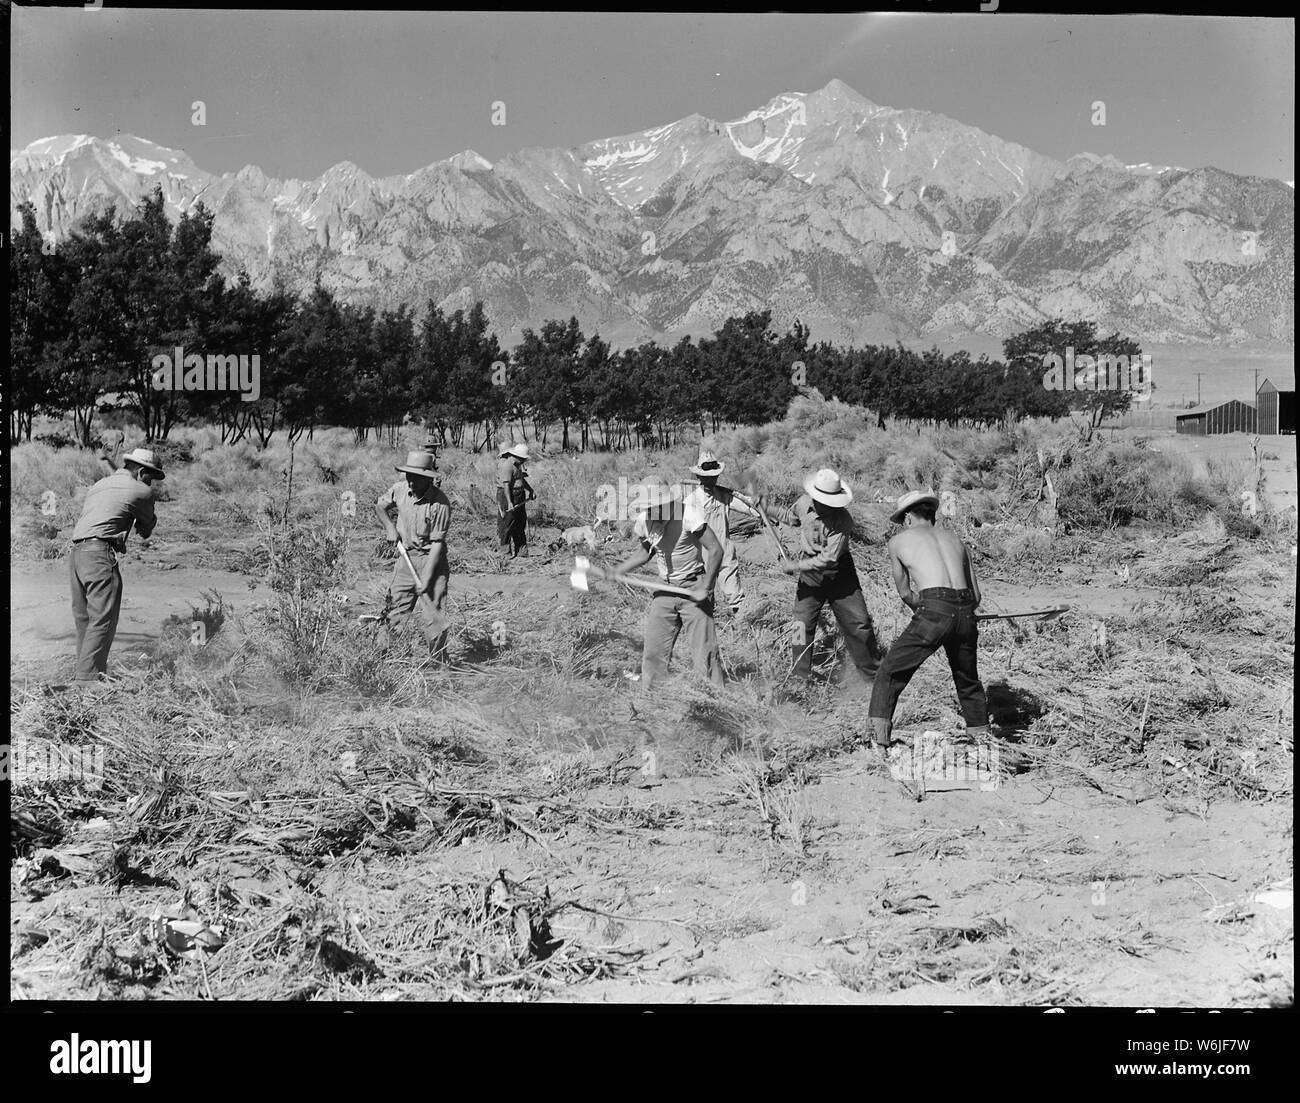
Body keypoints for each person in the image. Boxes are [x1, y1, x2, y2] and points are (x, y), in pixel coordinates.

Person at [867, 490, 991, 750]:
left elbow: (904, 593)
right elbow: (976, 596)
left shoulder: (899, 542)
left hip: (933, 608)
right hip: (966, 611)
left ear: (908, 518)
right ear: (932, 515)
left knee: (890, 672)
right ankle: (982, 744)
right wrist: (957, 612)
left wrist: (925, 608)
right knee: (968, 680)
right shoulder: (957, 540)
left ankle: (877, 743)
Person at [765, 468, 880, 689]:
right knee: (800, 625)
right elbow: (791, 518)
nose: (825, 505)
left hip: (840, 574)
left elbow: (829, 558)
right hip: (810, 575)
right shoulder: (803, 503)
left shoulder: (842, 520)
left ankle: (872, 677)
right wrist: (766, 507)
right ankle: (799, 679)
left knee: (859, 623)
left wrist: (795, 566)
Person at [613, 481, 724, 690]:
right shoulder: (645, 520)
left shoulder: (687, 515)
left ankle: (716, 702)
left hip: (694, 585)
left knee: (705, 654)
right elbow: (646, 551)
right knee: (654, 652)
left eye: (653, 506)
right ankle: (654, 701)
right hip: (665, 587)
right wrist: (619, 570)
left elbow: (716, 549)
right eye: (646, 507)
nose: (649, 511)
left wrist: (706, 587)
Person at [68, 447, 164, 684]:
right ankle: (88, 683)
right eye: (150, 477)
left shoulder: (100, 484)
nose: (151, 482)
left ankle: (84, 675)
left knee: (86, 621)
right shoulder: (142, 491)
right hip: (100, 555)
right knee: (103, 620)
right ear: (142, 472)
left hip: (76, 555)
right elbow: (145, 530)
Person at [375, 451, 453, 656]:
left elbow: (437, 543)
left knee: (433, 615)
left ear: (428, 478)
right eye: (409, 476)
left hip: (432, 561)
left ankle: (438, 661)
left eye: (416, 478)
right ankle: (382, 658)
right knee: (394, 609)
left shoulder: (440, 503)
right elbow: (380, 506)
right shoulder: (399, 490)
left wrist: (426, 578)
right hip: (406, 558)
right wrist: (390, 528)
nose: (411, 482)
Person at [682, 450, 766, 616]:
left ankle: (742, 623)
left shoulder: (724, 496)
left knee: (735, 594)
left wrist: (756, 504)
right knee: (705, 594)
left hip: (725, 552)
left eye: (713, 477)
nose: (709, 480)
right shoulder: (691, 501)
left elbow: (750, 509)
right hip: (701, 556)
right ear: (699, 477)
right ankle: (707, 628)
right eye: (705, 477)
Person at [496, 443, 535, 559]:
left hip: (519, 495)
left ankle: (521, 551)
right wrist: (509, 502)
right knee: (507, 524)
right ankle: (505, 552)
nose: (524, 461)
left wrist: (531, 490)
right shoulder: (507, 466)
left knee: (520, 523)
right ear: (516, 456)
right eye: (522, 458)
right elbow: (506, 485)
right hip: (507, 495)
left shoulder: (518, 465)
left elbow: (521, 480)